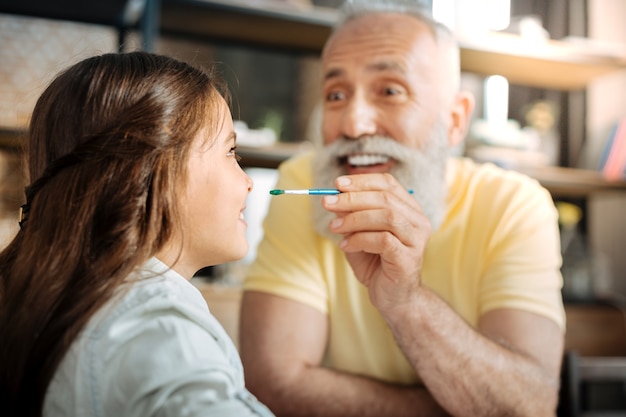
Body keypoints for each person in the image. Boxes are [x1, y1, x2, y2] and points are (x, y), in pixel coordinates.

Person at [239, 1, 565, 416]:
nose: (354, 125)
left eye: (390, 91)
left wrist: (406, 303)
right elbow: (274, 384)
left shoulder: (514, 205)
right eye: (335, 95)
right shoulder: (305, 181)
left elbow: (529, 406)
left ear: (455, 119)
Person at [0, 51, 274, 417]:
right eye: (231, 151)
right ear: (156, 167)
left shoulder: (42, 298)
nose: (248, 182)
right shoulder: (156, 326)